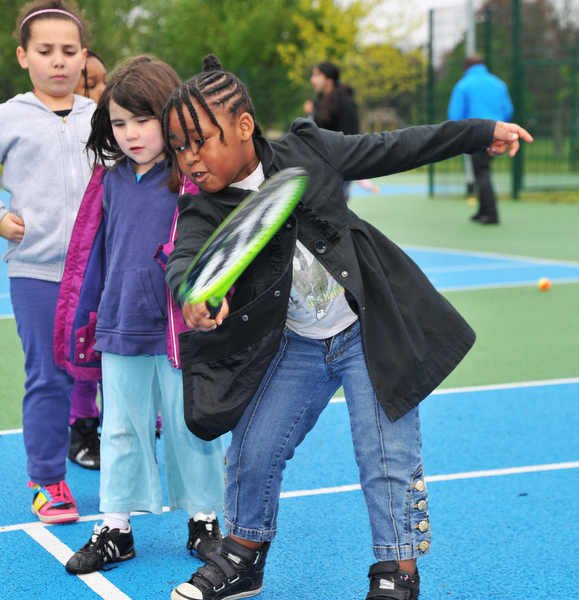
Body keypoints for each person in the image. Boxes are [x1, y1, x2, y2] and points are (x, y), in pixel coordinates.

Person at [161, 55, 532, 600]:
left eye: (200, 140)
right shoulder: (204, 209)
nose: (189, 157)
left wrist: (478, 132)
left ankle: (396, 572)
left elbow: (397, 146)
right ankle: (242, 557)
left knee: (385, 455)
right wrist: (192, 296)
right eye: (178, 145)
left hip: (368, 330)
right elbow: (185, 262)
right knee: (254, 446)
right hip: (294, 344)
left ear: (243, 127)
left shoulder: (309, 150)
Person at [62, 55, 225, 576]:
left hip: (182, 333)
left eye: (143, 119)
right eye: (118, 122)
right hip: (119, 326)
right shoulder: (109, 182)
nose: (131, 133)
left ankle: (204, 521)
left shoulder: (194, 181)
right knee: (121, 429)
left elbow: (220, 256)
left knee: (190, 427)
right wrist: (87, 316)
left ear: (171, 116)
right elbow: (95, 254)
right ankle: (116, 528)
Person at [0, 0, 96, 524]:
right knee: (50, 375)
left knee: (113, 374)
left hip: (101, 272)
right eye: (45, 51)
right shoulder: (1, 119)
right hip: (36, 273)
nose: (58, 61)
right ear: (22, 56)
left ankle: (125, 473)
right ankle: (48, 481)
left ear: (84, 58)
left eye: (69, 51)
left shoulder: (102, 120)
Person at [67, 49, 109, 472]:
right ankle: (82, 425)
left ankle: (149, 422)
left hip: (113, 258)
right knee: (84, 345)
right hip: (79, 264)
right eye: (90, 82)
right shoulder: (70, 137)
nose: (98, 88)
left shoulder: (119, 133)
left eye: (101, 80)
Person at [448, 54, 514, 224]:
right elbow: (508, 110)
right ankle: (482, 210)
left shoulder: (464, 85)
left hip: (475, 135)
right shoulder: (499, 84)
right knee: (483, 171)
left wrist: (459, 136)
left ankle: (491, 214)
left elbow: (455, 114)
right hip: (496, 134)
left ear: (466, 67)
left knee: (482, 172)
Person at [304, 61, 362, 200]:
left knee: (334, 206)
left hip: (338, 166)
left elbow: (350, 135)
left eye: (317, 75)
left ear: (329, 81)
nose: (313, 79)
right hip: (322, 165)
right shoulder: (320, 102)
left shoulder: (344, 101)